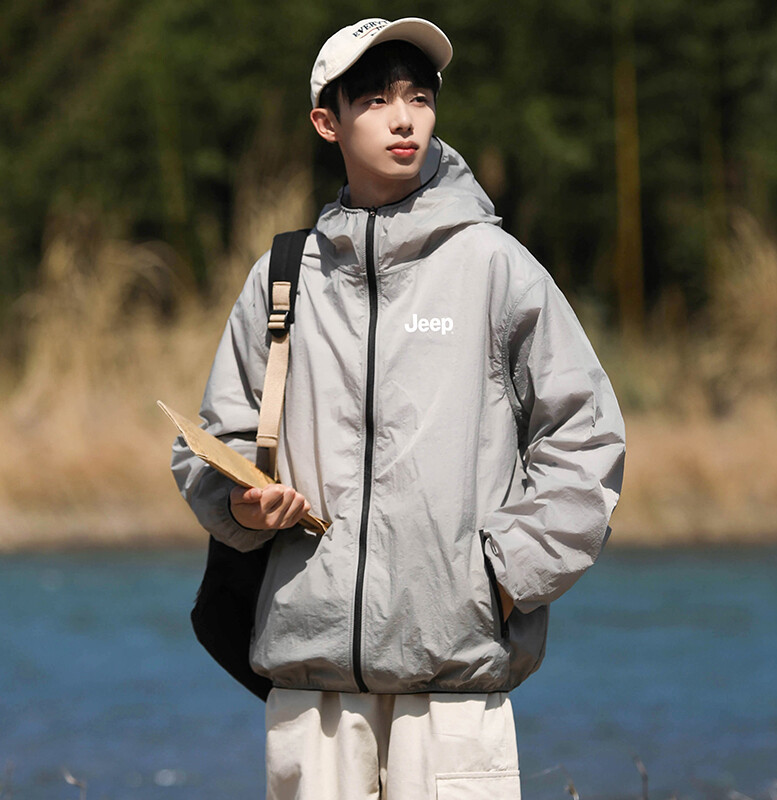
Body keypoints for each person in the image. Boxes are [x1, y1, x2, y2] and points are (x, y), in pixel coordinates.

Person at [171, 16, 625, 800]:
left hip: (454, 681)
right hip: (309, 682)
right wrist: (245, 504)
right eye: (377, 100)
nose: (405, 118)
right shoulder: (283, 276)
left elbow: (586, 436)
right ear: (328, 123)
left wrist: (501, 575)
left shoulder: (495, 265)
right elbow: (214, 440)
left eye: (419, 97)